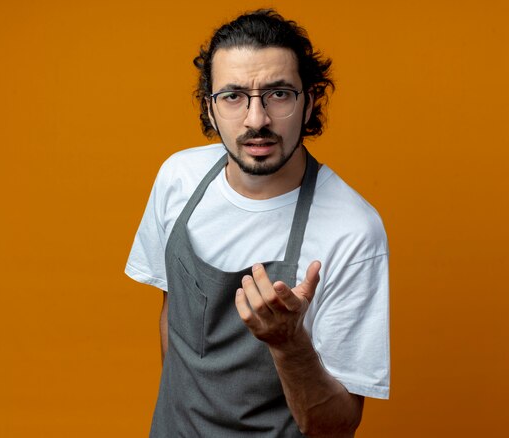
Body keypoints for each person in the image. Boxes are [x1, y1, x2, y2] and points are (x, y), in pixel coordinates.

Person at [125, 9, 389, 437]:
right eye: (232, 96)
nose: (256, 120)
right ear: (209, 110)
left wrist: (289, 344)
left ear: (309, 103)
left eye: (279, 94)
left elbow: (336, 427)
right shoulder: (178, 179)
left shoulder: (352, 230)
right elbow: (173, 312)